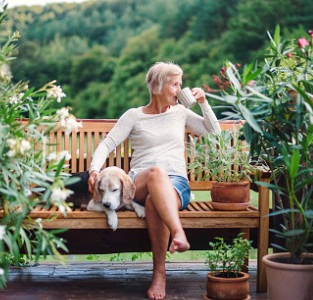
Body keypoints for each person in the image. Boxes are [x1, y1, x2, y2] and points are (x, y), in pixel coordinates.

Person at [88, 61, 221, 299]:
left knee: (153, 203)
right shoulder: (134, 116)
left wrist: (203, 102)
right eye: (175, 85)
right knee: (156, 173)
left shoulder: (181, 113)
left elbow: (214, 133)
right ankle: (178, 233)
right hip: (138, 182)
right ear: (158, 86)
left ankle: (159, 275)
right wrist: (94, 170)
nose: (180, 90)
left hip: (176, 184)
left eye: (181, 84)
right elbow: (107, 144)